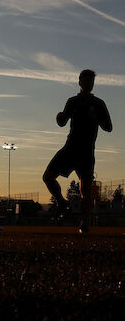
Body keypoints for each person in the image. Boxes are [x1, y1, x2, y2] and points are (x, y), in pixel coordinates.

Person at [43, 69, 112, 233]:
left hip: (87, 151)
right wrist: (59, 117)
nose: (89, 84)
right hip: (70, 148)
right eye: (86, 81)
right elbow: (62, 121)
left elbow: (108, 127)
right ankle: (61, 201)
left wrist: (97, 118)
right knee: (47, 177)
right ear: (80, 83)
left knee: (85, 190)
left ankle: (84, 223)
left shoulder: (99, 104)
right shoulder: (72, 101)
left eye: (92, 82)